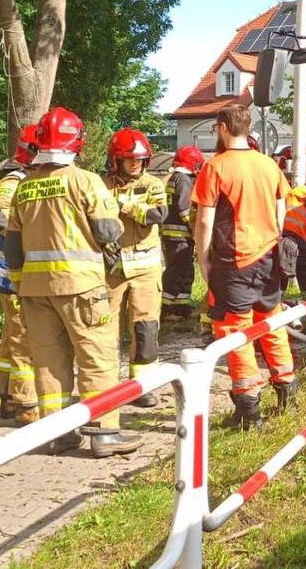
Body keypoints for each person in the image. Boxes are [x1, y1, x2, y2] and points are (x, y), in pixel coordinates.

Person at [5, 107, 141, 458]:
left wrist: (22, 287)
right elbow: (108, 230)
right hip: (82, 287)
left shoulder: (25, 186)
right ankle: (104, 432)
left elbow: (12, 249)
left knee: (49, 361)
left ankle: (60, 433)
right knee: (96, 356)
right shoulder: (85, 181)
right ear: (77, 142)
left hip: (35, 291)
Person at [192, 105, 296, 430]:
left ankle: (250, 410)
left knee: (235, 333)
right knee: (272, 324)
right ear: (248, 127)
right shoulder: (269, 164)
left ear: (223, 127)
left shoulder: (215, 168)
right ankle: (287, 392)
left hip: (233, 262)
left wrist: (203, 259)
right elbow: (282, 211)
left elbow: (205, 220)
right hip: (269, 258)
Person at [0, 124, 40, 426]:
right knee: (22, 333)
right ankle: (25, 403)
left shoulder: (32, 179)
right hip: (9, 271)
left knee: (13, 332)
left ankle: (4, 391)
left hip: (15, 269)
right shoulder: (13, 180)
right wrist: (27, 234)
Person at [102, 128, 168, 408]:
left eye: (140, 159)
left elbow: (157, 214)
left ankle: (142, 386)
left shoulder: (153, 184)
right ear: (115, 160)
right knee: (105, 329)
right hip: (111, 269)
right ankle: (105, 386)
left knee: (145, 328)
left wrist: (124, 205)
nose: (135, 164)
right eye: (129, 159)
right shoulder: (100, 184)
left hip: (145, 269)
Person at [161, 145, 205, 320]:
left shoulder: (174, 178)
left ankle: (180, 307)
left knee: (181, 269)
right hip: (180, 235)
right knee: (179, 270)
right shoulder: (184, 180)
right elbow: (183, 207)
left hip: (173, 234)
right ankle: (170, 309)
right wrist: (194, 226)